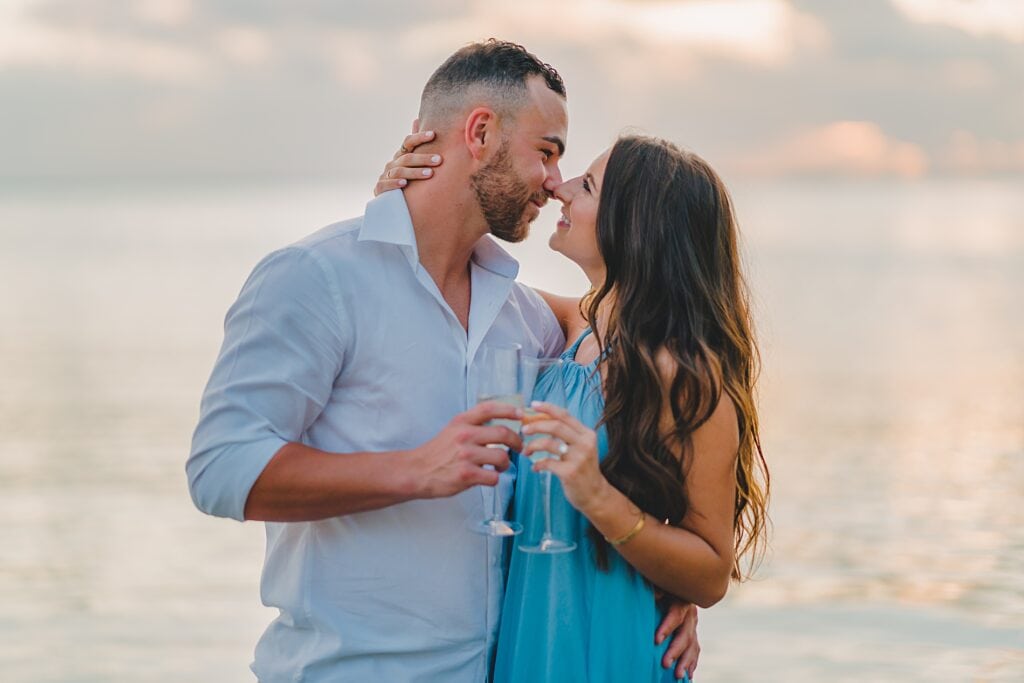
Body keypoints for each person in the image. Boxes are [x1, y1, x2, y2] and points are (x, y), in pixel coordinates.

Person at [187, 40, 696, 683]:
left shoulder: (527, 319)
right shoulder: (317, 277)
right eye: (547, 152)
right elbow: (220, 468)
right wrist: (414, 469)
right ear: (479, 132)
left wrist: (661, 573)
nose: (554, 183)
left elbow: (640, 357)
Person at [381, 134, 770, 682]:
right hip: (530, 631)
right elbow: (444, 277)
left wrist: (599, 498)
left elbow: (709, 574)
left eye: (586, 185)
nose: (560, 189)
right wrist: (404, 195)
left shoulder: (685, 376)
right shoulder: (574, 329)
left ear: (636, 227)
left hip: (609, 641)